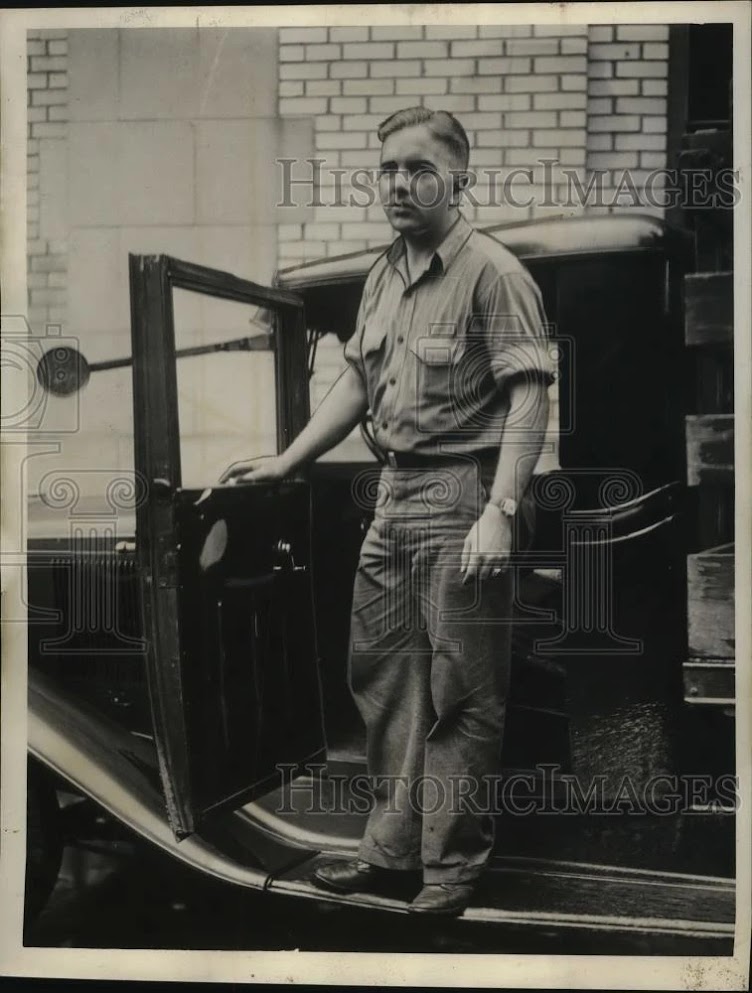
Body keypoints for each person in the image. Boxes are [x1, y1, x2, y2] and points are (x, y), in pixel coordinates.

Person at [221, 107, 554, 916]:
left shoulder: (494, 272)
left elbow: (529, 393)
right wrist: (287, 458)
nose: (400, 184)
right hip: (396, 494)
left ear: (459, 177)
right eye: (388, 171)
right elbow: (360, 382)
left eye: (419, 168)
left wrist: (501, 508)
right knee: (384, 674)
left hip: (464, 492)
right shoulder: (383, 272)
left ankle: (452, 865)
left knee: (460, 689)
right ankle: (391, 849)